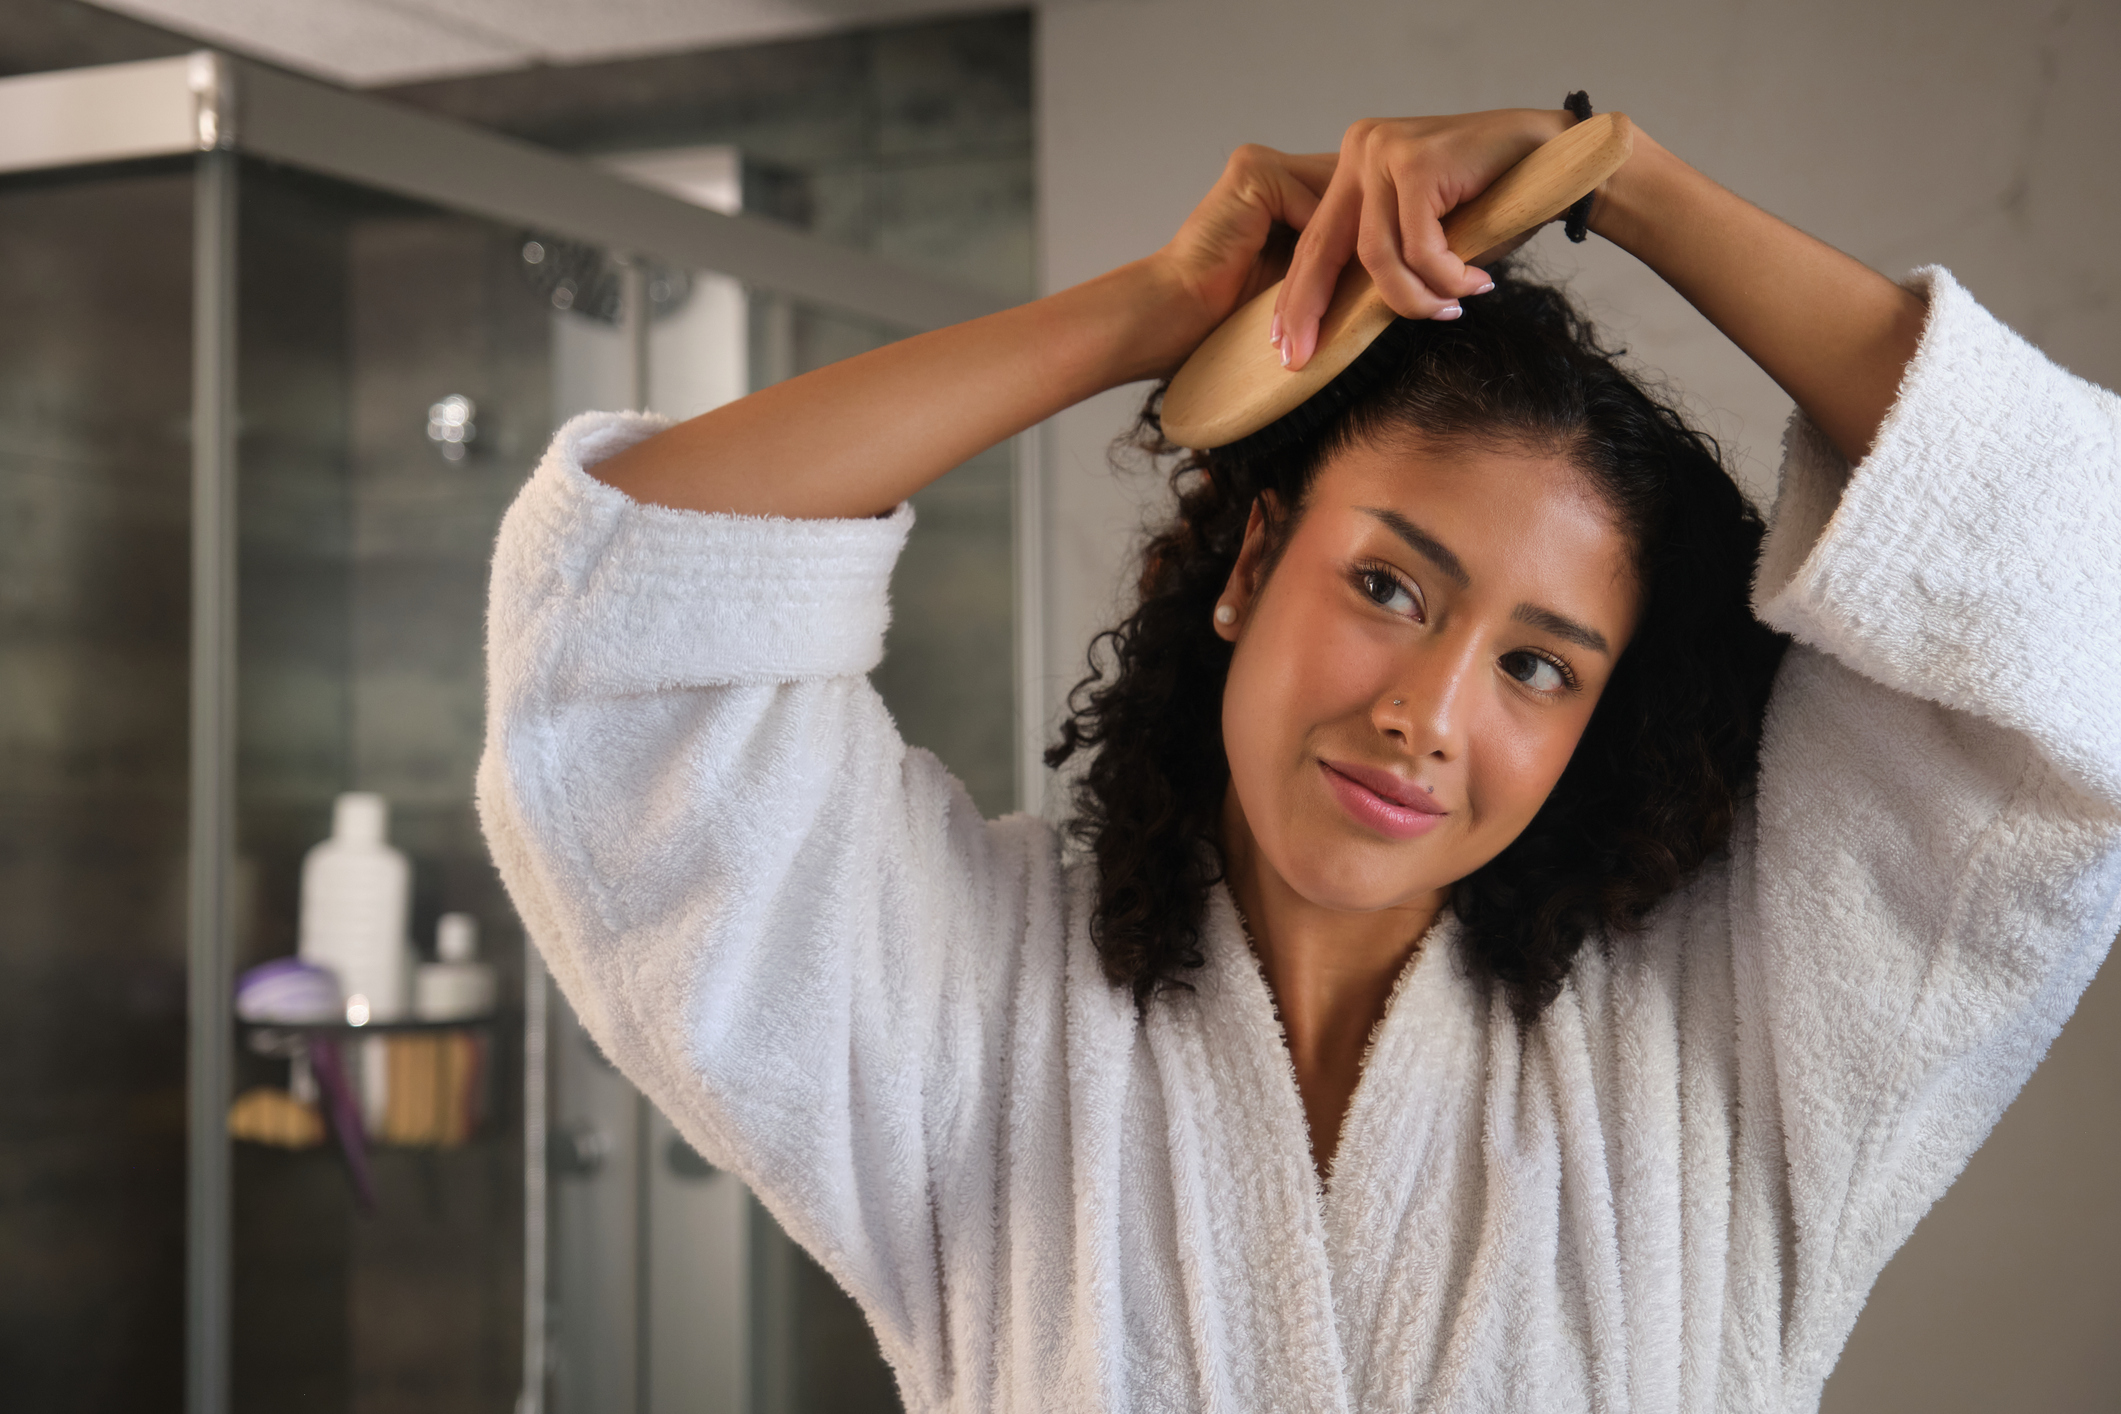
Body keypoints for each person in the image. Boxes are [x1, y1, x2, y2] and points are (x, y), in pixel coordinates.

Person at [478, 104, 2121, 1412]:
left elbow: (2076, 600)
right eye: (1388, 584)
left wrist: (1612, 175)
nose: (1427, 709)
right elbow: (625, 629)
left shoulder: (1732, 1057)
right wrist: (1152, 316)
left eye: (1536, 665)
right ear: (1253, 566)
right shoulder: (972, 1010)